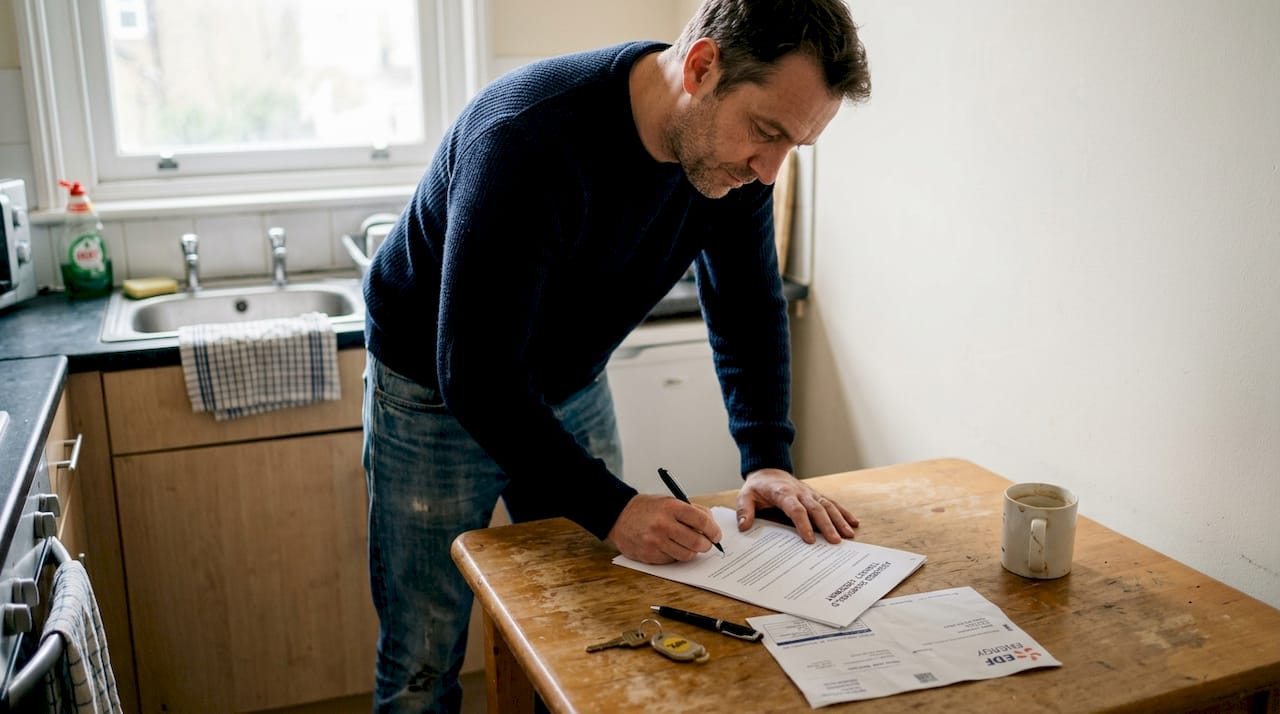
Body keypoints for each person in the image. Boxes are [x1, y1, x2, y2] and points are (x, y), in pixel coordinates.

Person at [360, 0, 871, 710]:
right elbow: (476, 373)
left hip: (567, 383)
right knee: (422, 656)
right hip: (435, 394)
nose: (767, 170)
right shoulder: (527, 137)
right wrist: (612, 508)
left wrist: (766, 456)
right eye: (766, 133)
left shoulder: (735, 165)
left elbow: (748, 302)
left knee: (588, 626)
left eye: (793, 147)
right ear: (700, 68)